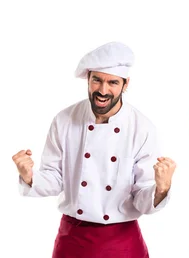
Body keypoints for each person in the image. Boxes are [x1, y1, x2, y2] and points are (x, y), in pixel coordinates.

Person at [11, 41, 176, 258]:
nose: (103, 90)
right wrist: (29, 176)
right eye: (97, 80)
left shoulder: (142, 128)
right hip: (72, 238)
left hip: (121, 241)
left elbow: (141, 195)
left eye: (113, 82)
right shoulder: (64, 120)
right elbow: (55, 179)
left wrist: (161, 188)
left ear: (125, 84)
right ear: (88, 79)